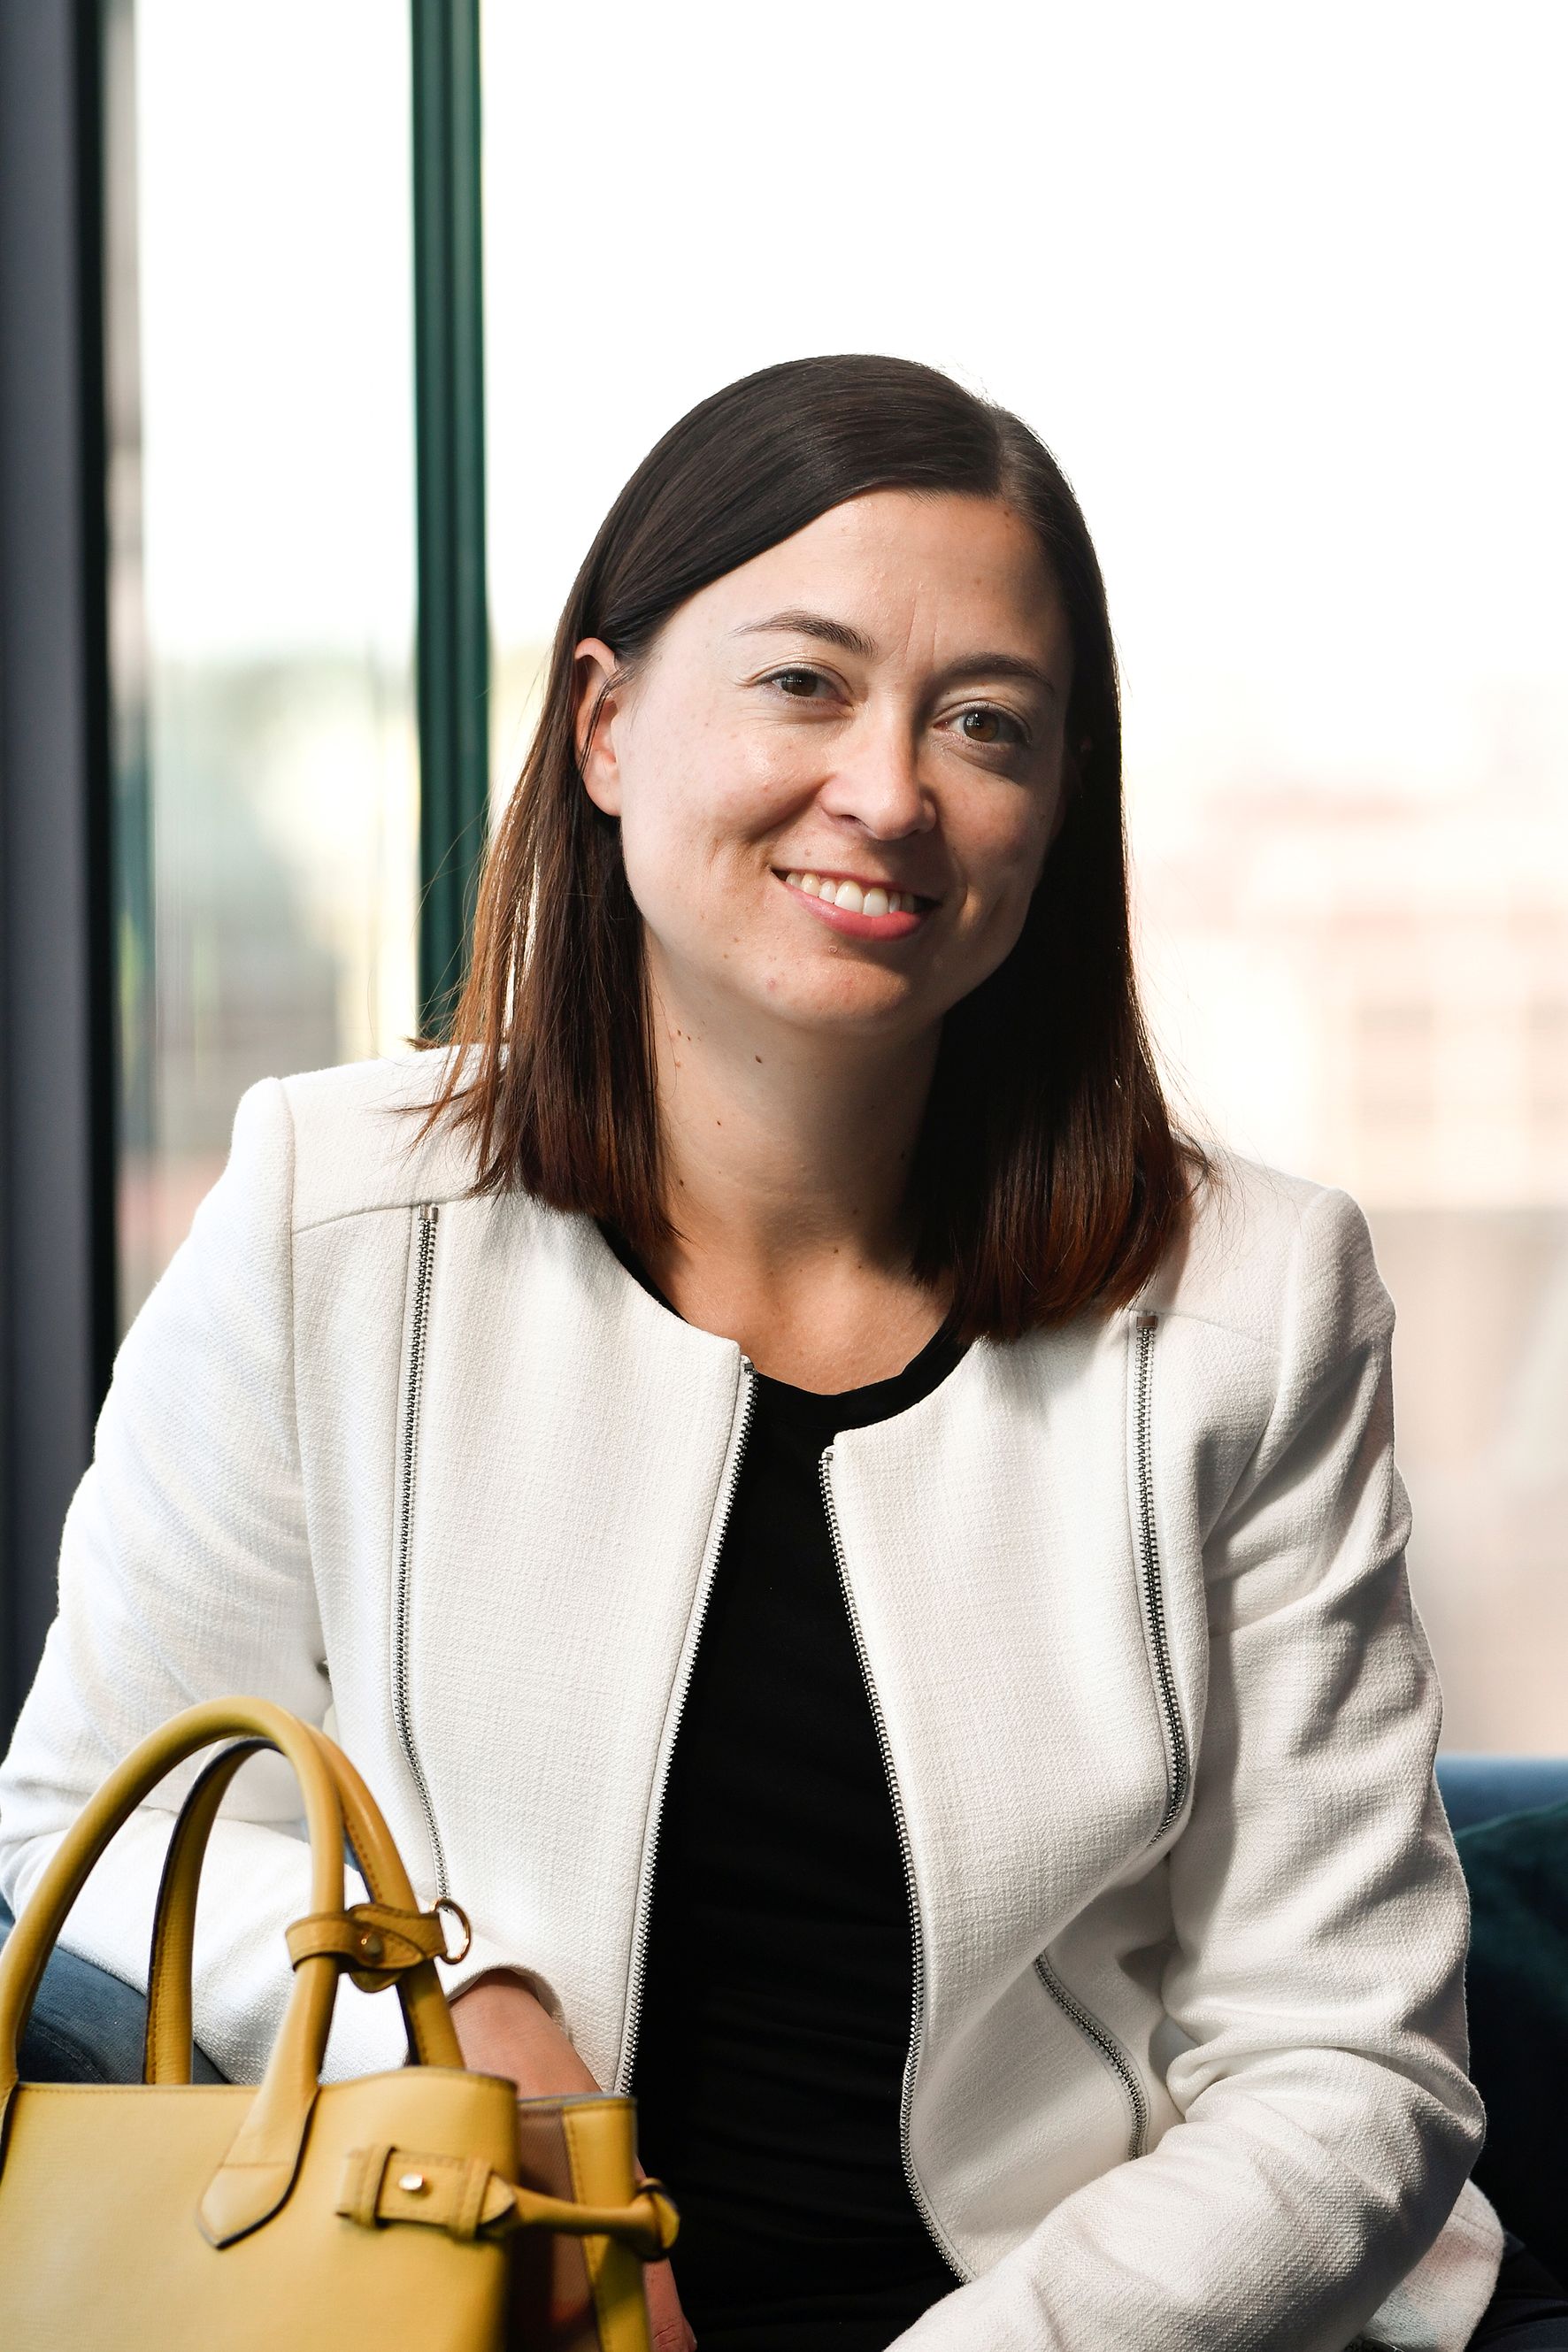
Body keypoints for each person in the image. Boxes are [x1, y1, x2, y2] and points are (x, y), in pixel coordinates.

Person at [1, 355, 1560, 2351]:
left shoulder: (1257, 1299)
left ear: (1057, 805)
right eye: (803, 683)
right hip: (474, 2295)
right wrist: (460, 2017)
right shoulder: (329, 1211)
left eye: (983, 724)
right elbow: (95, 1817)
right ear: (604, 727)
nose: (891, 792)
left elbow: (1347, 2068)